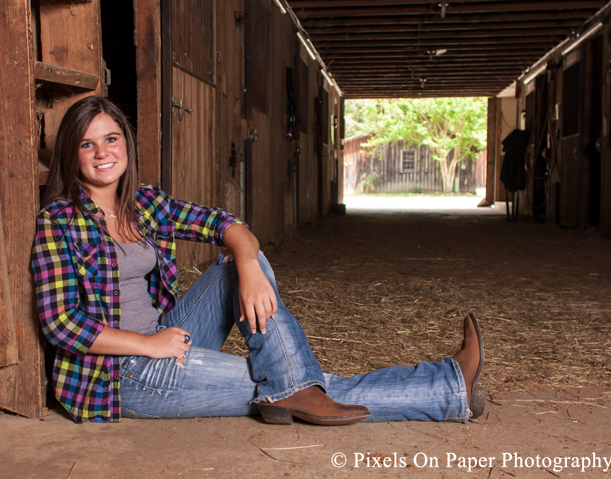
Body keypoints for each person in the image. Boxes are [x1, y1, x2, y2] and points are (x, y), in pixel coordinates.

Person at [31, 96, 485, 425]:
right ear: (72, 153)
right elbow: (61, 324)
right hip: (122, 374)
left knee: (239, 264)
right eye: (88, 145)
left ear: (125, 143)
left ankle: (297, 388)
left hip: (167, 336)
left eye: (110, 138)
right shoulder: (59, 221)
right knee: (288, 383)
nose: (103, 152)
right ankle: (444, 387)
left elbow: (226, 225)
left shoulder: (144, 203)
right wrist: (150, 345)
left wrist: (247, 264)